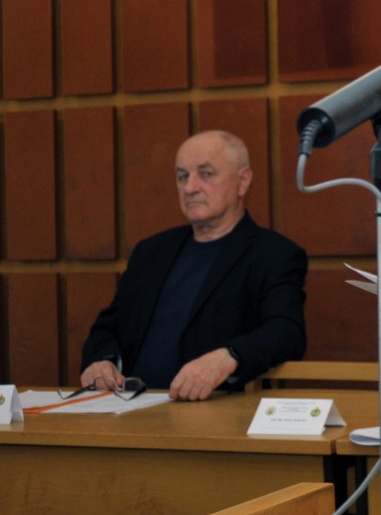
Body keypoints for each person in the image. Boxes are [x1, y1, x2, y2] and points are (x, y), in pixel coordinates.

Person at [80, 130, 308, 401]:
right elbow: (108, 327)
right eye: (182, 176)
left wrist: (228, 357)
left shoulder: (273, 254)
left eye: (206, 174)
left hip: (212, 411)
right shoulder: (151, 252)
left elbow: (286, 332)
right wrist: (102, 361)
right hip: (127, 406)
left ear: (243, 181)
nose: (189, 188)